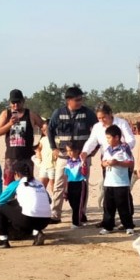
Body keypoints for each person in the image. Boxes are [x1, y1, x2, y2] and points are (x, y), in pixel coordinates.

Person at [47, 86, 96, 223]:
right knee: (58, 185)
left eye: (81, 99)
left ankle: (81, 213)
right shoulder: (58, 113)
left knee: (82, 186)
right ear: (68, 100)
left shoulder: (88, 113)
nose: (80, 102)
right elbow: (50, 130)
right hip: (63, 156)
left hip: (82, 157)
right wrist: (53, 148)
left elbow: (98, 130)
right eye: (77, 100)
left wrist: (94, 149)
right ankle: (55, 215)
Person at [81, 102, 137, 214]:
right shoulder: (97, 127)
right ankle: (108, 220)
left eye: (104, 117)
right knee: (108, 189)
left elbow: (131, 140)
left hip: (122, 158)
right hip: (106, 159)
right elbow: (92, 141)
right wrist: (85, 152)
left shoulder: (121, 123)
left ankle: (127, 218)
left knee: (123, 190)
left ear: (110, 114)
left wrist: (122, 147)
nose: (102, 120)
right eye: (99, 118)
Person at [0, 160, 51, 249]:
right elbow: (49, 201)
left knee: (0, 210)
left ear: (17, 174)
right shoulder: (39, 183)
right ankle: (37, 233)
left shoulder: (17, 183)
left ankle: (3, 240)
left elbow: (1, 200)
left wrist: (14, 204)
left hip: (28, 220)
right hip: (45, 221)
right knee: (30, 210)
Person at [0, 89, 44, 186]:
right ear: (10, 102)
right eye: (13, 103)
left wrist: (39, 144)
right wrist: (10, 124)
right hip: (11, 156)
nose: (16, 105)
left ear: (23, 101)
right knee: (10, 185)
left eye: (18, 102)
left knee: (27, 184)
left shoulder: (30, 114)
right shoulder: (6, 114)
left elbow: (44, 127)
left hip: (27, 156)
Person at [99, 125, 136, 235]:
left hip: (121, 182)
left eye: (109, 137)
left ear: (117, 137)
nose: (107, 140)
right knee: (108, 206)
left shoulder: (124, 148)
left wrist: (118, 163)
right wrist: (105, 163)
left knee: (123, 206)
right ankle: (108, 226)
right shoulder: (107, 149)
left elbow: (130, 163)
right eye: (106, 138)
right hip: (109, 182)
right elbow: (102, 162)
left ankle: (128, 226)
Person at [64, 145, 88, 229]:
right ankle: (82, 218)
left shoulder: (81, 161)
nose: (69, 153)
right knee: (72, 203)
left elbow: (85, 173)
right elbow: (66, 175)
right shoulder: (68, 162)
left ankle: (76, 222)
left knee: (78, 204)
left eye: (71, 150)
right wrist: (66, 189)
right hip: (71, 184)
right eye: (67, 151)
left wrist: (84, 165)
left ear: (77, 150)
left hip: (80, 183)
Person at [35, 123, 56, 196]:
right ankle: (43, 202)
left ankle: (55, 203)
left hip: (53, 166)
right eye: (43, 130)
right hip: (43, 166)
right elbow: (38, 148)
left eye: (45, 129)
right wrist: (38, 154)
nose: (44, 131)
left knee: (53, 186)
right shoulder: (43, 139)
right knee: (41, 187)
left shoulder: (56, 139)